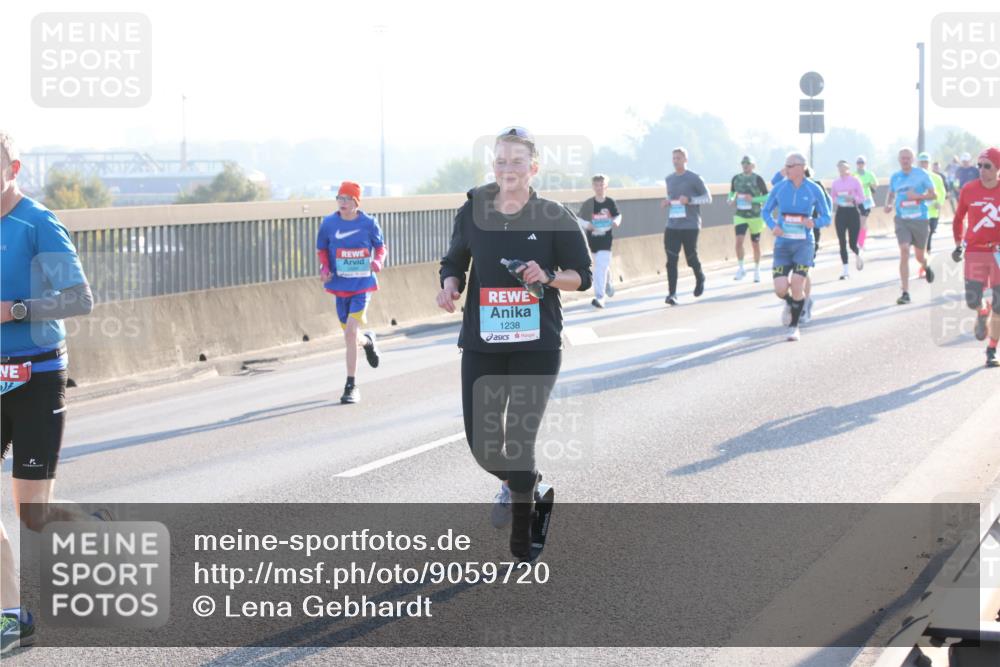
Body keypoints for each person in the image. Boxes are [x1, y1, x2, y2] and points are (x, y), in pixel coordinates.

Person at [437, 127, 592, 560]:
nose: (508, 168)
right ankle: (529, 485)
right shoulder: (472, 211)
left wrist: (548, 276)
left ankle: (523, 535)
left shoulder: (554, 215)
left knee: (519, 443)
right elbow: (455, 260)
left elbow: (582, 276)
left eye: (517, 161)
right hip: (482, 343)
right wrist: (450, 285)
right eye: (501, 160)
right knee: (484, 447)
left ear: (533, 168)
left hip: (536, 345)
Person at [1, 131, 109, 655]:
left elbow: (80, 299)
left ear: (13, 168)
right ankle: (11, 615)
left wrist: (16, 310)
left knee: (32, 514)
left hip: (37, 378)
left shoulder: (38, 223)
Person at [316, 181, 385, 404]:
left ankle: (351, 385)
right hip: (339, 286)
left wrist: (378, 261)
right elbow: (322, 250)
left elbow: (380, 247)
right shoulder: (329, 223)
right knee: (351, 336)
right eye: (340, 198)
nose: (342, 202)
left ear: (356, 202)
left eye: (347, 199)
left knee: (350, 333)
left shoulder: (368, 223)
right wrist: (324, 269)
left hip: (362, 285)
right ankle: (368, 342)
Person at [762, 152, 831, 341]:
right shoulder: (780, 188)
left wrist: (814, 222)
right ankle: (794, 302)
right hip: (783, 245)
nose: (786, 169)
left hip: (804, 244)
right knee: (780, 289)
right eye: (786, 165)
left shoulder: (814, 189)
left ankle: (794, 327)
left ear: (801, 168)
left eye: (790, 166)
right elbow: (765, 211)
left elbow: (827, 216)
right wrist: (773, 226)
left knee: (797, 283)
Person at [951, 147, 1000, 368]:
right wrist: (957, 244)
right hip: (975, 251)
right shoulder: (969, 189)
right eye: (979, 165)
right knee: (972, 300)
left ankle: (992, 349)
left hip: (998, 252)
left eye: (987, 166)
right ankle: (982, 310)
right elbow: (958, 218)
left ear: (997, 168)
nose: (981, 169)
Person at [884, 148, 936, 304]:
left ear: (912, 160)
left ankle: (926, 265)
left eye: (908, 158)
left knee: (920, 256)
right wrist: (888, 204)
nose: (905, 160)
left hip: (920, 220)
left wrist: (917, 196)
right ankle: (905, 292)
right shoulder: (895, 177)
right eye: (903, 158)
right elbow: (891, 194)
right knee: (904, 250)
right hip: (902, 220)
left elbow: (934, 195)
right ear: (899, 160)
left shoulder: (921, 174)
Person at [661, 147, 712, 305]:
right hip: (672, 224)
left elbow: (708, 198)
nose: (676, 161)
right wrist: (667, 202)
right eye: (674, 158)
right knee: (671, 260)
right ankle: (672, 294)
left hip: (690, 225)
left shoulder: (694, 178)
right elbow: (672, 197)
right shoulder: (669, 179)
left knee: (691, 258)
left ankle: (700, 276)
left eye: (679, 158)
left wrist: (690, 200)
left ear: (685, 160)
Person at [577, 174, 622, 308]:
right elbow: (578, 219)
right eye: (596, 185)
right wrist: (587, 225)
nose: (599, 187)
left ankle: (600, 297)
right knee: (599, 266)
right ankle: (608, 281)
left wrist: (616, 221)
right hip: (592, 241)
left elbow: (618, 215)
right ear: (593, 186)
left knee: (600, 268)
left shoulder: (610, 202)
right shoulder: (588, 203)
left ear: (606, 186)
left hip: (606, 241)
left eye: (601, 184)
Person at [728, 155, 769, 282]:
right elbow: (732, 192)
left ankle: (757, 270)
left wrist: (753, 199)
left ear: (753, 165)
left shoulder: (758, 179)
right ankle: (741, 268)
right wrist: (731, 199)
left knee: (755, 244)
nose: (745, 165)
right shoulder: (736, 178)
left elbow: (767, 196)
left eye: (748, 163)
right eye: (743, 163)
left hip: (755, 216)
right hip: (740, 215)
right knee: (738, 242)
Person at [829, 160, 866, 279]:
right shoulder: (835, 183)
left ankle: (858, 252)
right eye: (839, 168)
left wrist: (853, 198)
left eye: (843, 167)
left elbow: (862, 197)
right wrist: (839, 200)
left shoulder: (855, 181)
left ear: (848, 169)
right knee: (842, 241)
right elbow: (832, 197)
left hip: (852, 212)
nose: (841, 170)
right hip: (841, 212)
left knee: (852, 243)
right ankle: (845, 271)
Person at [918, 152, 947, 268]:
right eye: (922, 162)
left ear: (929, 163)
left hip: (933, 212)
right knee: (924, 236)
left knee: (929, 234)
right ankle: (924, 263)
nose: (924, 164)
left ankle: (926, 259)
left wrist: (939, 202)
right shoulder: (914, 178)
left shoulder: (936, 177)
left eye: (926, 162)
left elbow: (942, 192)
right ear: (919, 163)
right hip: (920, 212)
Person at [854, 155, 878, 251]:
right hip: (856, 200)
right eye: (858, 163)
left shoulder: (869, 174)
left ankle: (861, 242)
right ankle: (858, 241)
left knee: (863, 221)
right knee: (857, 222)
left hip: (866, 199)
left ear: (865, 164)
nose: (860, 165)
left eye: (862, 163)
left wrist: (870, 187)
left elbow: (875, 185)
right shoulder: (853, 174)